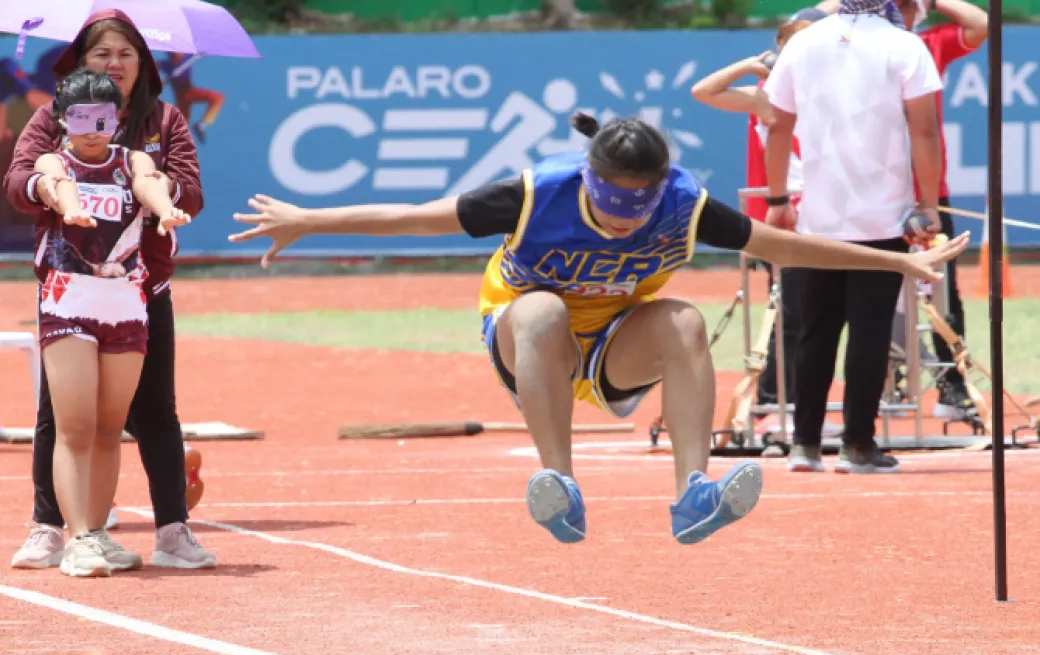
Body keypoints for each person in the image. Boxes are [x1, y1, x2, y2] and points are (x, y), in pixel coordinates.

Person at [228, 113, 966, 544]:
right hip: (529, 342)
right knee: (546, 307)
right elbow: (417, 215)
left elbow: (784, 248)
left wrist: (902, 262)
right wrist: (309, 220)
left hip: (615, 346)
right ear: (588, 179)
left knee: (682, 318)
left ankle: (693, 496)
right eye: (612, 203)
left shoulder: (683, 204)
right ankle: (559, 484)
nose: (622, 218)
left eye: (636, 208)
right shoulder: (533, 195)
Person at [5, 10, 216, 570]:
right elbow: (22, 181)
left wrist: (160, 194)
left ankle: (172, 529)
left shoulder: (161, 121)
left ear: (142, 64)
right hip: (70, 288)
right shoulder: (54, 120)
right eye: (102, 54)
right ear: (80, 61)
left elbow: (188, 191)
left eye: (125, 54)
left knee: (154, 410)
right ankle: (50, 529)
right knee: (62, 415)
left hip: (142, 288)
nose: (115, 63)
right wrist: (53, 193)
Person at [762, 0, 944, 474]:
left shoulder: (802, 41)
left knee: (814, 331)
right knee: (870, 330)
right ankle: (858, 445)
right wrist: (928, 205)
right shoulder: (905, 44)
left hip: (816, 217)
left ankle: (803, 445)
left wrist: (778, 199)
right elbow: (925, 129)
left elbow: (776, 124)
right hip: (882, 216)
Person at [33, 69, 191, 577]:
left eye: (102, 117)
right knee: (74, 427)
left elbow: (149, 183)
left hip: (126, 303)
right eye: (80, 118)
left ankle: (97, 535)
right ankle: (76, 536)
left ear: (118, 119)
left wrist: (167, 212)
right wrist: (73, 208)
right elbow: (57, 188)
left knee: (107, 430)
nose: (92, 128)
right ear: (62, 120)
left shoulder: (134, 160)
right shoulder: (53, 159)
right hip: (69, 301)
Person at [817, 0, 987, 421]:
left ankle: (952, 387)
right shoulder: (848, 42)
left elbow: (982, 24)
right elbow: (811, 18)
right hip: (872, 194)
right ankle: (887, 386)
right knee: (872, 296)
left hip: (929, 194)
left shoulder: (925, 43)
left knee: (943, 293)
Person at [690, 7, 842, 450]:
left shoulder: (834, 91)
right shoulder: (766, 95)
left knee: (820, 312)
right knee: (791, 312)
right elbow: (703, 90)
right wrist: (753, 65)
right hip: (789, 213)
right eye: (790, 44)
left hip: (832, 210)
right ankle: (777, 409)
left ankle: (800, 406)